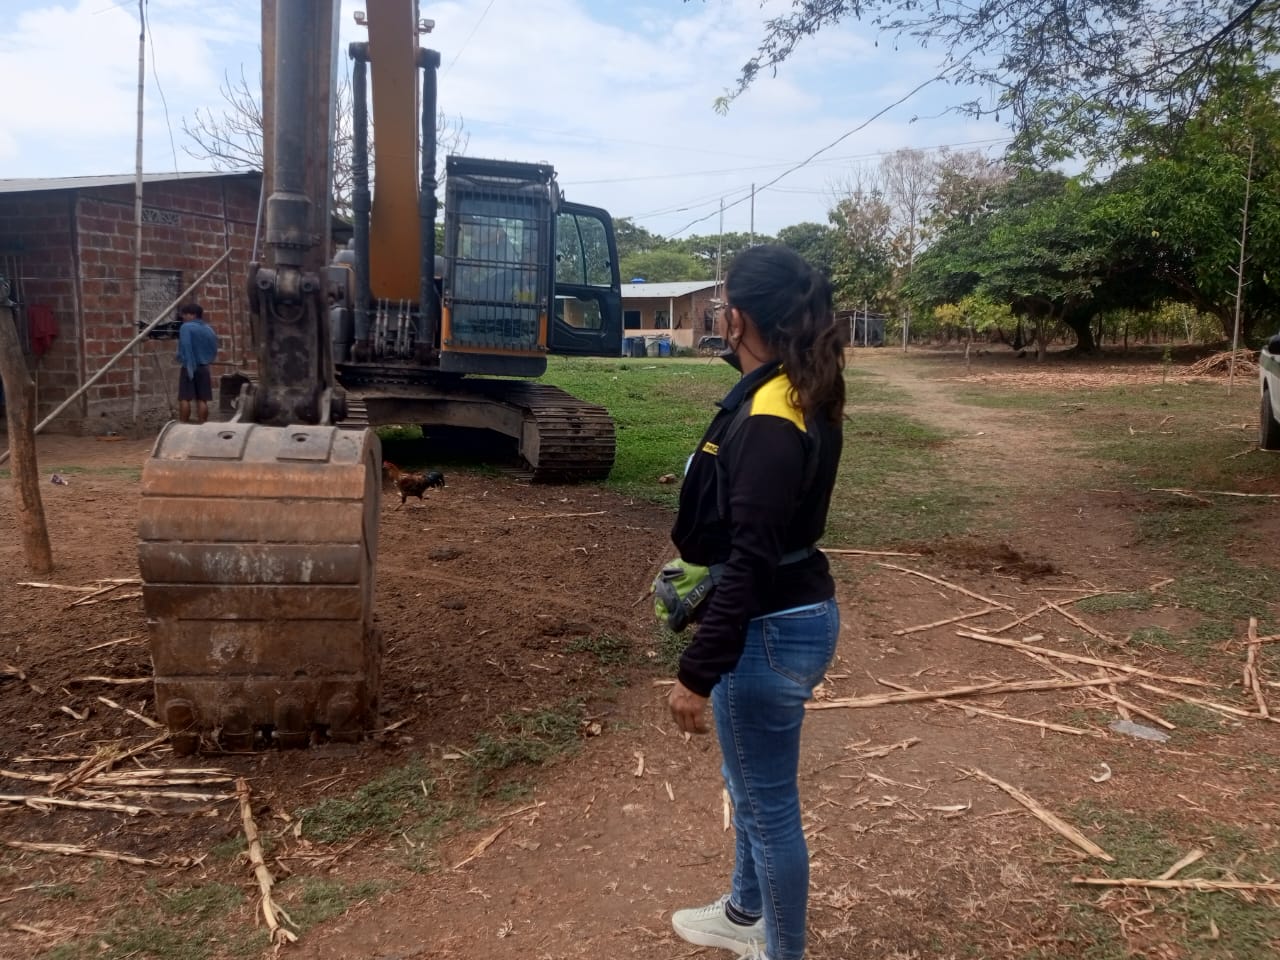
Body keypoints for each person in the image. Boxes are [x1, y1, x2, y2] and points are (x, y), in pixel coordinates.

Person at [666, 245, 845, 960]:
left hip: (768, 628)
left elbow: (750, 561)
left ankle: (782, 950)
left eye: (720, 305)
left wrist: (696, 671)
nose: (717, 315)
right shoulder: (796, 388)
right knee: (749, 787)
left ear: (736, 320)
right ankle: (744, 913)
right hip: (788, 614)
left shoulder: (772, 416)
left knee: (768, 808)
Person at [175, 302, 218, 424]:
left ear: (193, 315)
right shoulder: (209, 329)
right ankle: (203, 424)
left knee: (184, 398)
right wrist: (207, 360)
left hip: (189, 366)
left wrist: (185, 363)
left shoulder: (186, 327)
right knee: (202, 399)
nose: (183, 317)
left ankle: (183, 425)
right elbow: (214, 349)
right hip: (204, 367)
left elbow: (186, 346)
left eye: (185, 314)